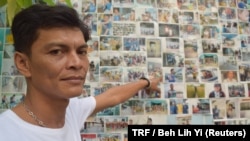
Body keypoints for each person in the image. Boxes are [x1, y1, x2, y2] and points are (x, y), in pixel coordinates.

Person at [0, 4, 161, 141]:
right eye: (56, 52)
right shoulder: (7, 132)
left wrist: (145, 82)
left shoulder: (70, 111)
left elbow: (113, 96)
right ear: (23, 63)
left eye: (81, 52)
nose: (77, 63)